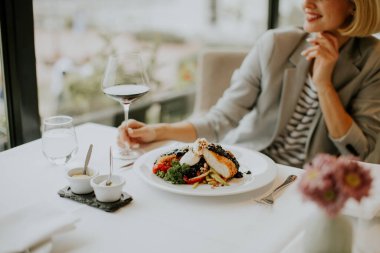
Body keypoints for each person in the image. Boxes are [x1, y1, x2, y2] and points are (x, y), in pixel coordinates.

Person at [118, 0, 380, 168]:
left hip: (308, 185)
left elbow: (360, 149)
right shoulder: (276, 43)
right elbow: (220, 120)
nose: (306, 3)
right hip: (246, 167)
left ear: (354, 5)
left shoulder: (373, 59)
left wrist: (324, 84)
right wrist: (157, 131)